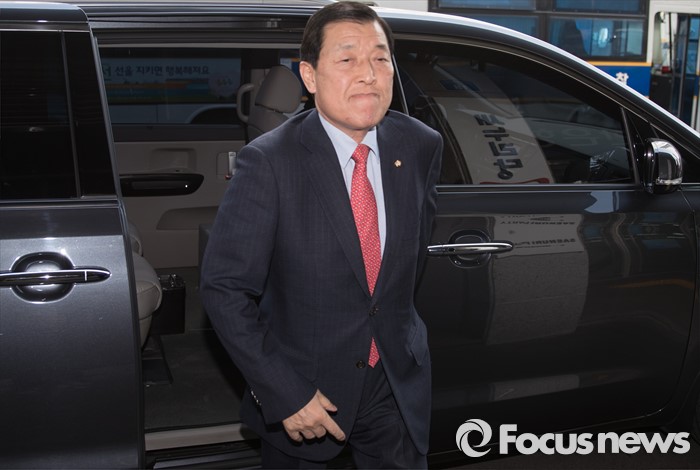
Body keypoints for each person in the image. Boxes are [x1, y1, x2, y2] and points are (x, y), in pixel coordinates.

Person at [200, 2, 443, 468]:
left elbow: (407, 267)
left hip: (393, 382)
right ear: (310, 76)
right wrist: (284, 392)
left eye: (380, 58)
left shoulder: (420, 145)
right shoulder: (269, 161)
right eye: (347, 59)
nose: (368, 74)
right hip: (307, 391)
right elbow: (224, 289)